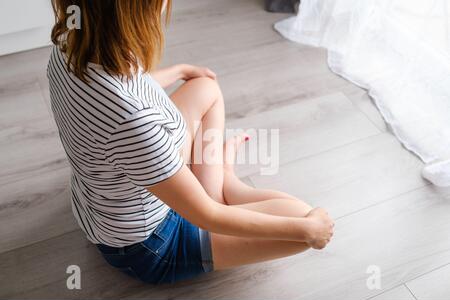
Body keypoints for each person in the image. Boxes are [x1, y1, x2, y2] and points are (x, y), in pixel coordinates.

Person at [48, 0, 334, 284]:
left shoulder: (71, 41)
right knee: (300, 218)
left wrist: (180, 70)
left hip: (104, 198)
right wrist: (308, 231)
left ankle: (216, 186)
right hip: (150, 245)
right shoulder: (132, 122)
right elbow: (206, 216)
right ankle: (229, 186)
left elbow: (130, 87)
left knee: (205, 87)